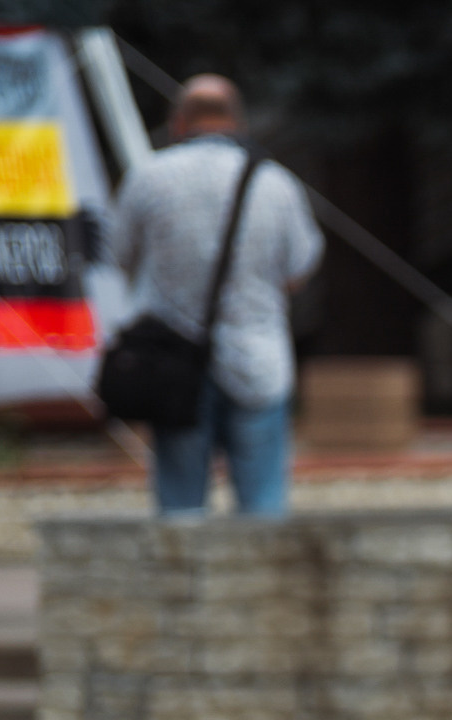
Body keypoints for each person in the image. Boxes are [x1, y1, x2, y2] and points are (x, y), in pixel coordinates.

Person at [109, 76, 323, 515]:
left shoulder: (149, 177)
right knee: (263, 510)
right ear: (238, 122)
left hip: (173, 365)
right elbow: (299, 270)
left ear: (178, 122)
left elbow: (119, 256)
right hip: (258, 359)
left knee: (181, 511)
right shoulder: (275, 183)